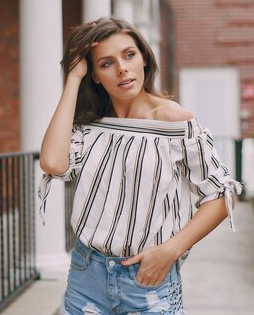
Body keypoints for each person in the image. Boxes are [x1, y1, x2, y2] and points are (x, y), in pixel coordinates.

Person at [38, 17, 242, 315]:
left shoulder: (174, 121)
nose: (122, 68)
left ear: (144, 59)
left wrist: (170, 250)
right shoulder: (92, 125)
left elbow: (222, 193)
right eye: (106, 63)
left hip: (148, 281)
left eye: (129, 55)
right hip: (86, 274)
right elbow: (53, 163)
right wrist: (72, 78)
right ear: (94, 75)